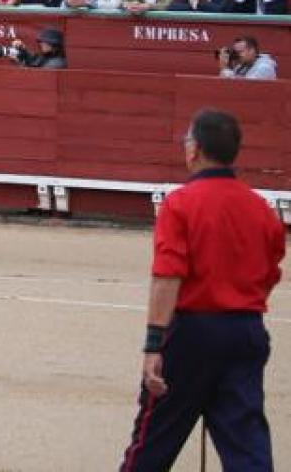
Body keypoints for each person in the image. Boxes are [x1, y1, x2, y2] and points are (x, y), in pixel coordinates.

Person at [119, 108, 283, 472]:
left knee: (153, 441)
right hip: (246, 331)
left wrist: (153, 344)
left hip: (192, 334)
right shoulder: (261, 209)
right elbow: (271, 274)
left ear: (194, 151)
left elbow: (167, 276)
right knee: (246, 447)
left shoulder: (180, 203)